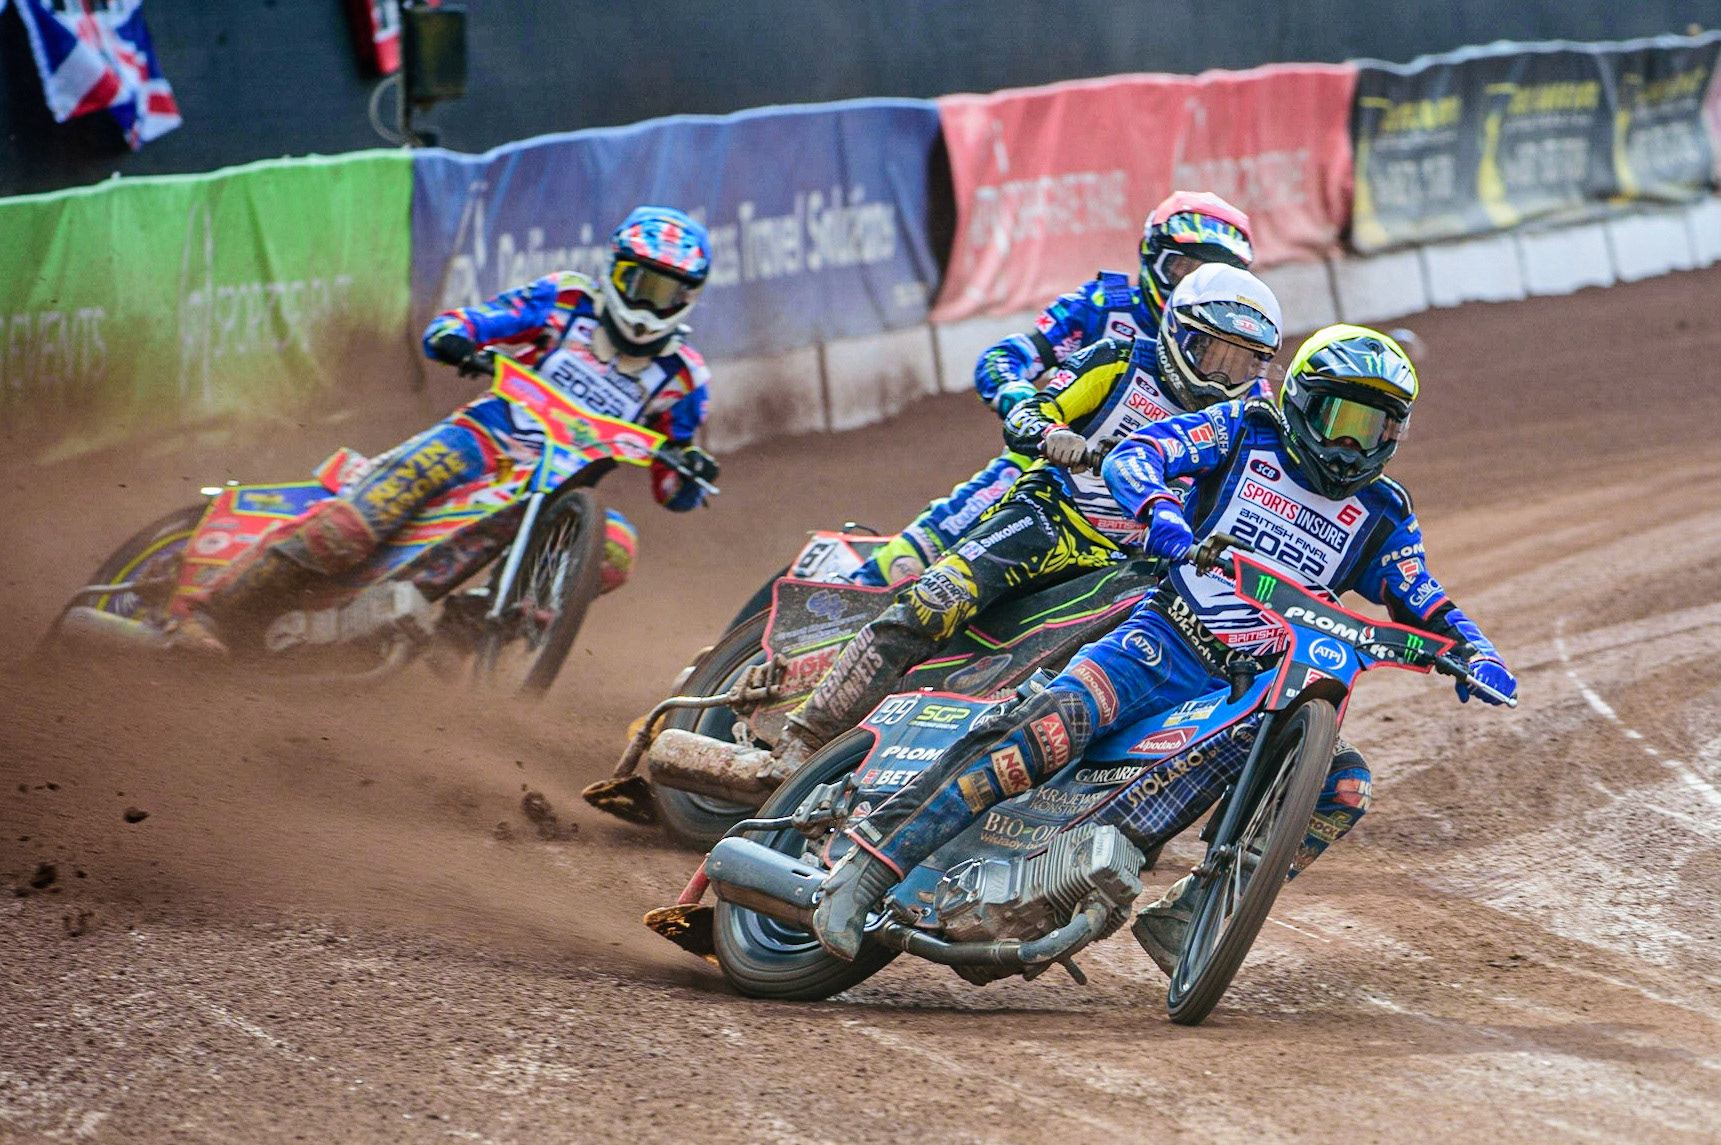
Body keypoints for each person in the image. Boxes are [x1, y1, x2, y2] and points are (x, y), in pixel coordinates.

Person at [810, 325, 1517, 965]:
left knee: (1342, 783)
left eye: (1376, 427)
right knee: (1045, 727)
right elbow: (1140, 455)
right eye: (1341, 420)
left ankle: (1195, 909)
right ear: (1302, 400)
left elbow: (1419, 593)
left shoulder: (1383, 513)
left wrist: (1473, 650)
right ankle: (870, 866)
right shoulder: (1245, 427)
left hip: (1261, 688)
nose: (1352, 446)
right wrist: (1160, 513)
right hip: (1164, 640)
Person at [670, 265, 1283, 792]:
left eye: (1244, 360)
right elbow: (1033, 406)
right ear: (1180, 332)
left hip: (1135, 564)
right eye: (1215, 352)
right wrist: (1050, 433)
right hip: (1051, 517)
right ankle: (802, 743)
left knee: (1161, 662)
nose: (1225, 375)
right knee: (936, 601)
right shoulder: (1119, 360)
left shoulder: (1253, 419)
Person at [168, 206, 721, 653]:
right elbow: (463, 324)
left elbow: (673, 487)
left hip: (552, 491)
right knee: (361, 523)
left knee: (617, 545)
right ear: (614, 270)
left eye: (667, 292)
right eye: (639, 282)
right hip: (483, 439)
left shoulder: (683, 376)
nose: (649, 302)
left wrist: (690, 469)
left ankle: (471, 625)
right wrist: (458, 339)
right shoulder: (568, 299)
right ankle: (210, 612)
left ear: (687, 299)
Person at [853, 191, 1256, 587]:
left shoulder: (1246, 362)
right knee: (924, 547)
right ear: (1152, 260)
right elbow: (1002, 360)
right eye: (1182, 269)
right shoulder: (1103, 306)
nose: (1190, 285)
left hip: (1154, 504)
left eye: (1208, 274)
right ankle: (855, 591)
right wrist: (1035, 419)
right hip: (1052, 470)